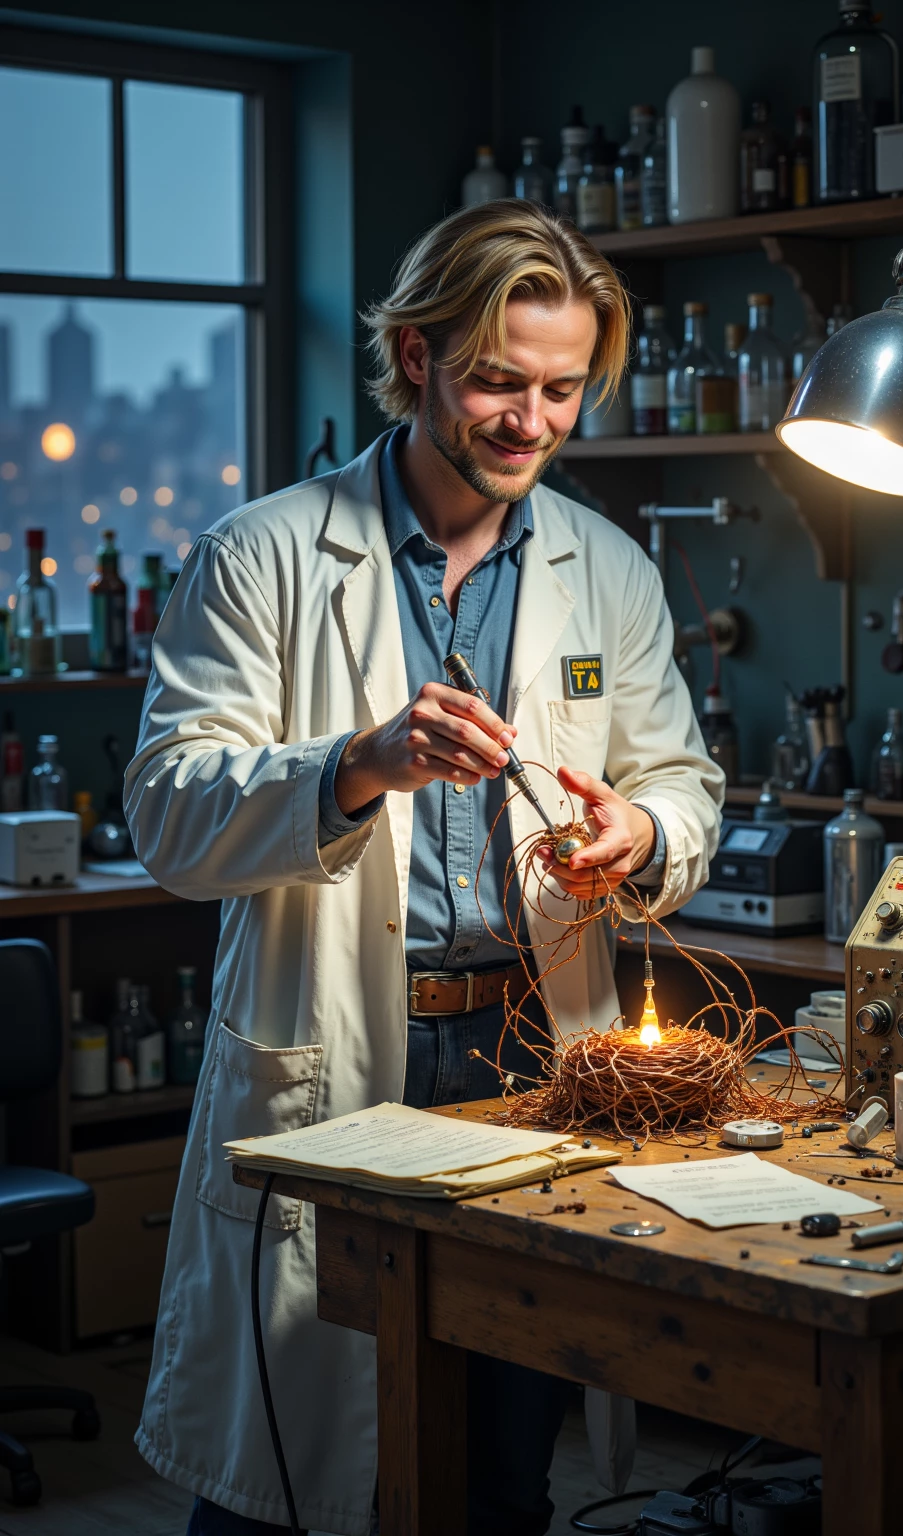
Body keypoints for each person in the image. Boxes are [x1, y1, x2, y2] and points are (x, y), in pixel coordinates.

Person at [125, 199, 724, 1536]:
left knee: (502, 1458)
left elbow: (682, 782)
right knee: (293, 1462)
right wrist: (357, 762)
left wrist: (642, 837)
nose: (533, 420)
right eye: (500, 382)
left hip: (532, 1059)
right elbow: (165, 812)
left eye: (563, 389)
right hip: (342, 1047)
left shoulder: (607, 571)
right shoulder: (264, 556)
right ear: (415, 358)